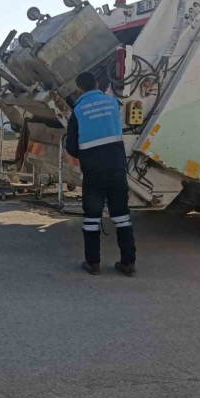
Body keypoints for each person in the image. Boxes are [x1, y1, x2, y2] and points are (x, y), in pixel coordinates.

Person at [66, 71, 137, 277]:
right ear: (97, 84)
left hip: (94, 171)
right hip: (116, 168)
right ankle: (128, 263)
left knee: (91, 218)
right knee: (122, 217)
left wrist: (85, 153)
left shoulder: (78, 110)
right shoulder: (113, 103)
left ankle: (93, 263)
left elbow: (71, 147)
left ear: (79, 89)